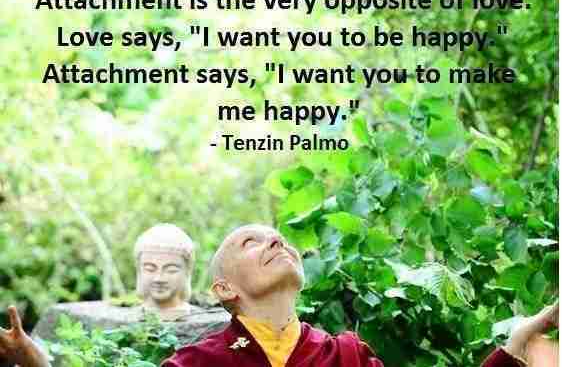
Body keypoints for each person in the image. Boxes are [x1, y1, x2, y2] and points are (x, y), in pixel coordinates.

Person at [0, 224, 558, 367]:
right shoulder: (196, 364)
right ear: (223, 289)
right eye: (251, 242)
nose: (275, 241)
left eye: (279, 239)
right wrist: (38, 363)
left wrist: (513, 348)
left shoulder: (347, 355)